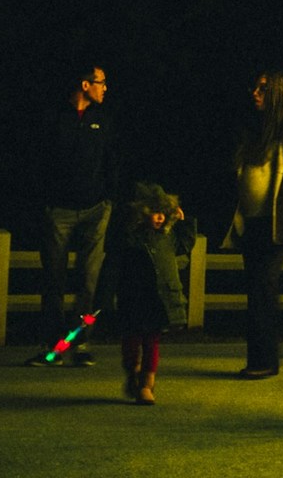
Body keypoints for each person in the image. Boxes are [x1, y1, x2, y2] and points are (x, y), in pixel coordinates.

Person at [224, 71, 283, 379]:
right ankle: (259, 358)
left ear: (278, 93)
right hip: (251, 221)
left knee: (264, 286)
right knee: (255, 288)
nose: (255, 93)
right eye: (255, 87)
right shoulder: (253, 129)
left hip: (279, 222)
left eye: (263, 89)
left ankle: (266, 360)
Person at [32, 62, 119, 366]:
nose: (105, 88)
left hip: (96, 209)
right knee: (53, 279)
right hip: (59, 210)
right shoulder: (54, 117)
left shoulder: (103, 120)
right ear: (85, 85)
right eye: (101, 82)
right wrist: (45, 202)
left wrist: (109, 199)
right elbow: (39, 161)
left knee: (89, 282)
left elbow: (112, 160)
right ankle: (54, 348)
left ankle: (80, 343)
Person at [114, 182, 194, 405]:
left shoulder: (168, 237)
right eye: (155, 212)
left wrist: (185, 222)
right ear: (143, 213)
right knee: (131, 340)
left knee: (152, 341)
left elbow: (186, 244)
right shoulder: (131, 238)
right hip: (134, 297)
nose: (160, 217)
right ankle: (133, 371)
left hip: (158, 299)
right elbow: (116, 262)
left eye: (163, 213)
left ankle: (147, 384)